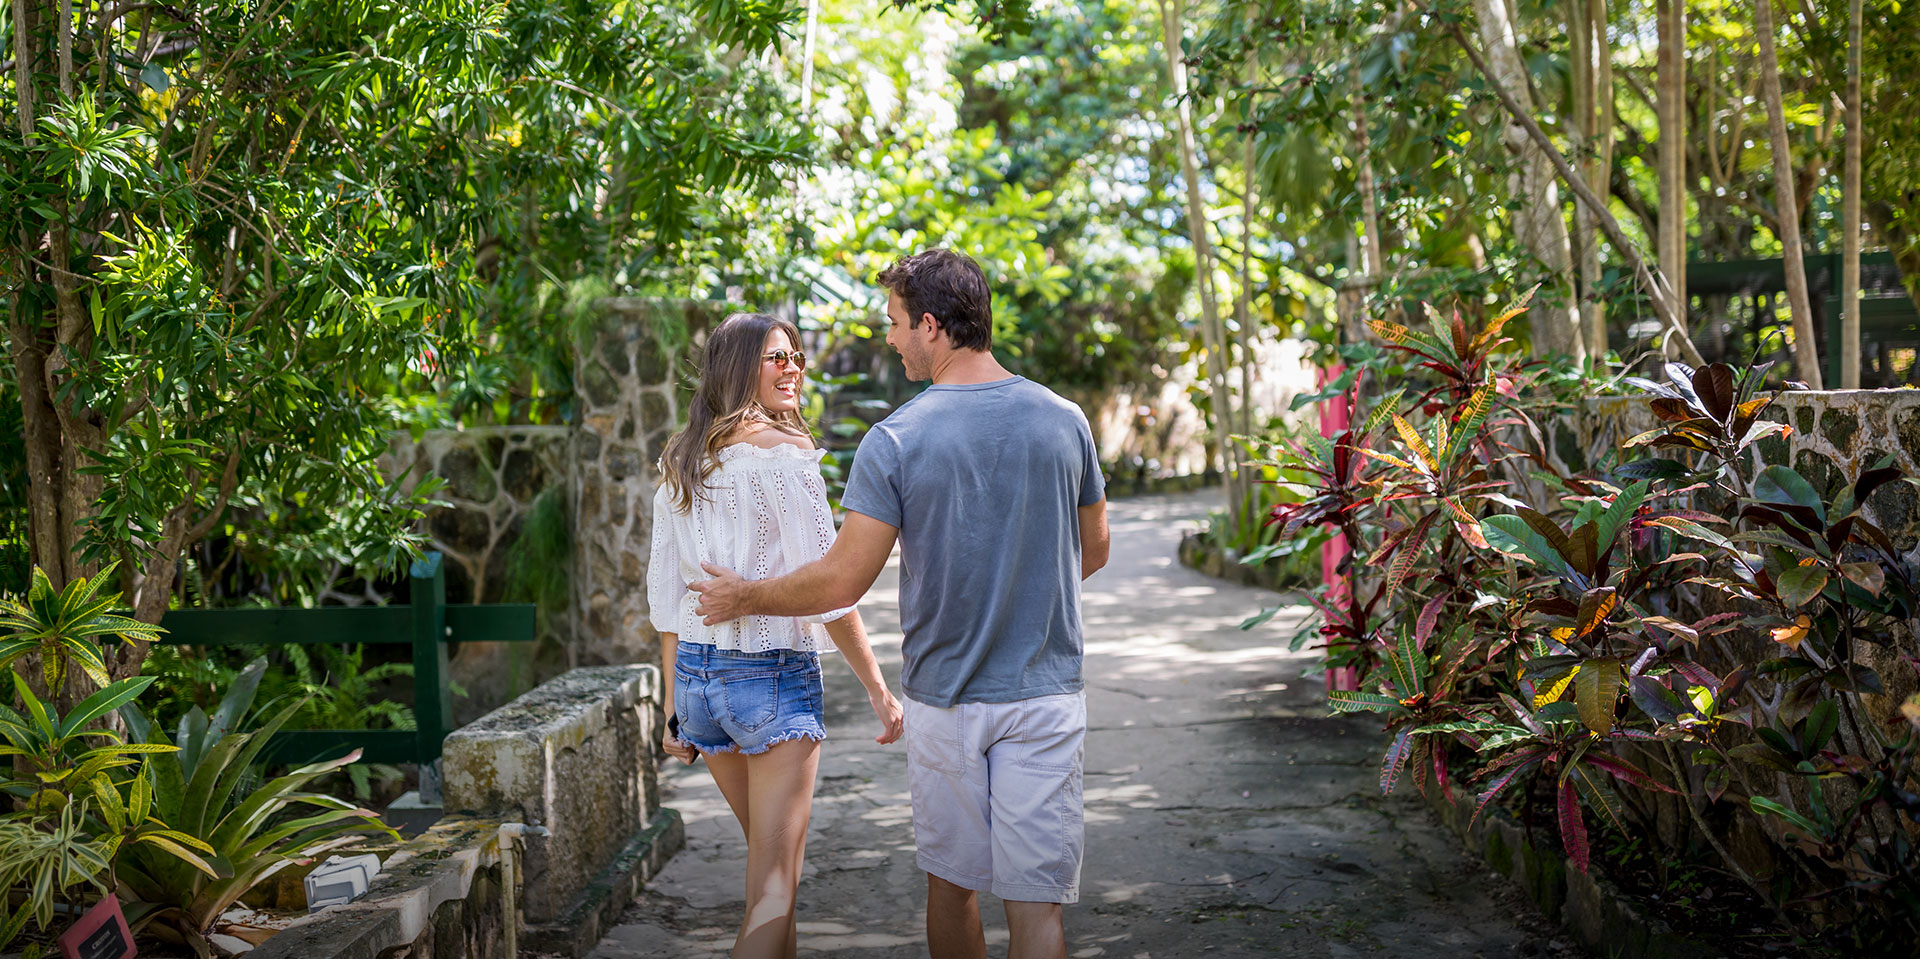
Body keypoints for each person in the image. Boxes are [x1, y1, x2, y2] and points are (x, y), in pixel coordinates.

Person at [691, 250, 1111, 959]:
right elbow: (1093, 549)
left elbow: (840, 580)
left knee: (952, 889)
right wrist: (1023, 585)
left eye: (893, 322)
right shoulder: (1065, 419)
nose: (888, 338)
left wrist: (746, 594)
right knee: (1037, 911)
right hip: (1045, 696)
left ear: (930, 325)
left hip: (945, 701)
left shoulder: (895, 440)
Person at [647, 311, 905, 959]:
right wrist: (878, 688)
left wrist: (675, 709)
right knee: (775, 887)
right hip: (772, 680)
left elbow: (670, 599)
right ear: (738, 369)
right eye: (776, 358)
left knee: (765, 869)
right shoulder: (787, 456)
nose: (793, 368)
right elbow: (830, 588)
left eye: (796, 357)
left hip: (704, 687)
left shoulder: (682, 461)